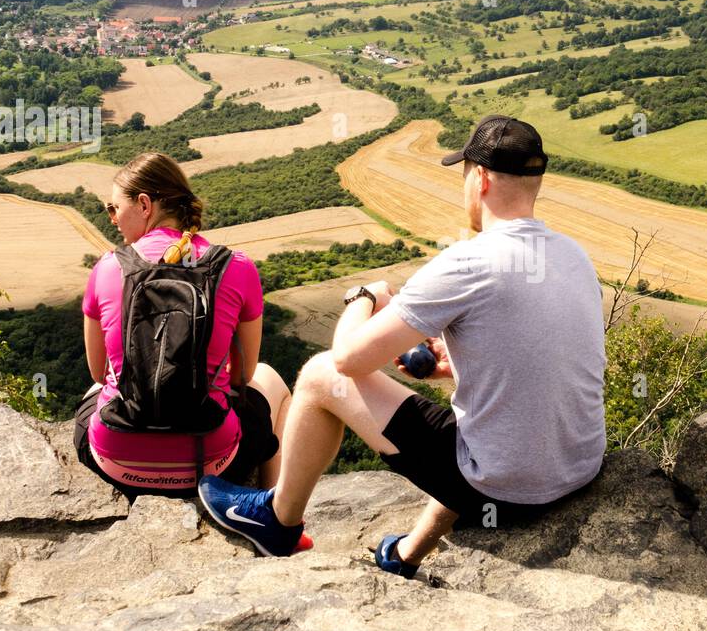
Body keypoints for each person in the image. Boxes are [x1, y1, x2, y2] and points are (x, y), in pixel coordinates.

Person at [197, 115, 608, 576]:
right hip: (578, 471)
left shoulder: (468, 261)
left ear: (482, 179)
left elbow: (348, 360)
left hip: (505, 494)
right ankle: (405, 554)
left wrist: (365, 297)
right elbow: (551, 359)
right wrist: (460, 366)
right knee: (475, 431)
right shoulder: (574, 255)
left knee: (318, 375)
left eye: (465, 174)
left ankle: (276, 520)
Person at [73, 152, 301, 531]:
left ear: (145, 204)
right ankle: (272, 515)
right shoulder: (237, 266)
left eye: (114, 208)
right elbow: (243, 375)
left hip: (115, 461)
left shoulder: (107, 267)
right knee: (272, 380)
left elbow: (99, 372)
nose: (111, 220)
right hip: (213, 458)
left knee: (95, 389)